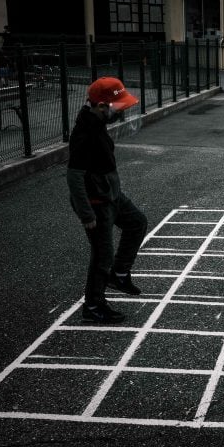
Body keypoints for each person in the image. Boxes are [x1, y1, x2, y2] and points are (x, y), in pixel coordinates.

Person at [67, 77, 148, 323]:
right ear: (101, 105)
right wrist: (86, 214)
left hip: (112, 196)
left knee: (137, 222)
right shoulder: (84, 133)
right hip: (96, 204)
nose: (121, 110)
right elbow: (74, 177)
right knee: (102, 257)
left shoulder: (97, 122)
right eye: (117, 106)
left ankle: (120, 274)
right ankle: (93, 306)